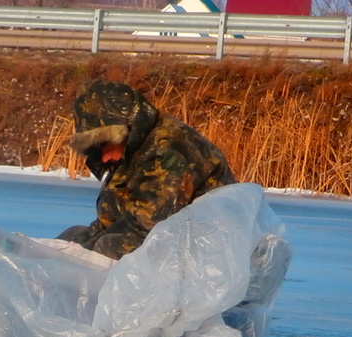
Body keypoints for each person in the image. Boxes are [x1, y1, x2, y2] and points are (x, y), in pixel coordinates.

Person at [58, 79, 236, 260]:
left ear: (123, 131)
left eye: (106, 145)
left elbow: (148, 226)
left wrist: (81, 259)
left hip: (206, 254)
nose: (104, 157)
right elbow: (111, 218)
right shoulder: (133, 148)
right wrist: (73, 249)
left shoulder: (168, 150)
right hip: (168, 241)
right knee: (71, 239)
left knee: (107, 248)